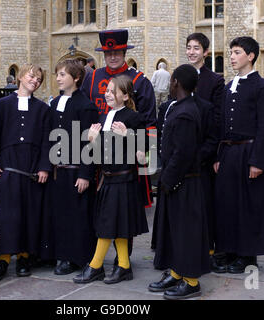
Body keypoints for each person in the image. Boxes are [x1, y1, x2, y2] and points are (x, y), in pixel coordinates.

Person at [81, 29, 156, 263]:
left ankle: (122, 259)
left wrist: (145, 163)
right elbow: (84, 115)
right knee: (98, 208)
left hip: (126, 158)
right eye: (108, 52)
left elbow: (149, 125)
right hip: (96, 154)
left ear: (124, 52)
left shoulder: (140, 80)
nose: (113, 57)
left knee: (123, 211)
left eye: (117, 52)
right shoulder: (91, 78)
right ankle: (94, 255)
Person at [213, 36, 264, 273]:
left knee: (249, 206)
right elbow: (222, 124)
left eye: (237, 52)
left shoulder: (261, 86)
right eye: (231, 52)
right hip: (230, 153)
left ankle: (248, 256)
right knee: (228, 204)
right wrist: (219, 156)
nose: (232, 56)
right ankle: (230, 251)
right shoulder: (229, 85)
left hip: (251, 152)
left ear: (250, 56)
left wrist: (259, 161)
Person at [73, 75, 148, 284]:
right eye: (106, 90)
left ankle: (95, 266)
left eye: (112, 90)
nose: (107, 93)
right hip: (107, 179)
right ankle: (124, 266)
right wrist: (93, 142)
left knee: (107, 225)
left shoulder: (134, 117)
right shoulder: (105, 116)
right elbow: (102, 156)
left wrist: (128, 136)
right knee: (117, 225)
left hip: (124, 180)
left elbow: (143, 157)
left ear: (125, 96)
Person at [0, 64, 52, 281]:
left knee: (29, 215)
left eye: (39, 79)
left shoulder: (42, 109)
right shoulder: (2, 105)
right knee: (8, 216)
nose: (35, 81)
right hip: (9, 168)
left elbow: (45, 142)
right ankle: (4, 259)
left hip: (32, 170)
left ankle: (24, 257)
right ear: (21, 77)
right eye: (32, 76)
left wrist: (44, 167)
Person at [149, 64, 210, 300]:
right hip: (178, 181)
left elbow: (182, 154)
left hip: (184, 181)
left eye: (172, 79)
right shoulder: (182, 107)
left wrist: (167, 179)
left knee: (187, 232)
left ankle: (191, 281)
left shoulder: (185, 112)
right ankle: (176, 272)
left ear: (176, 83)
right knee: (175, 231)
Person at [47, 59, 98, 275]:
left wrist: (85, 174)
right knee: (61, 214)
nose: (58, 78)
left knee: (79, 215)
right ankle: (63, 255)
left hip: (77, 170)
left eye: (62, 75)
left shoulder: (85, 106)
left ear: (76, 78)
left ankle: (80, 257)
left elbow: (89, 143)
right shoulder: (54, 102)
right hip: (59, 169)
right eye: (57, 74)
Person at [186, 32, 225, 269]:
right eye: (189, 47)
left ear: (206, 52)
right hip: (183, 150)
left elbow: (218, 119)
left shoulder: (214, 81)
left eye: (196, 48)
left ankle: (208, 249)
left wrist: (214, 153)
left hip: (204, 150)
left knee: (205, 202)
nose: (191, 52)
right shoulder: (179, 76)